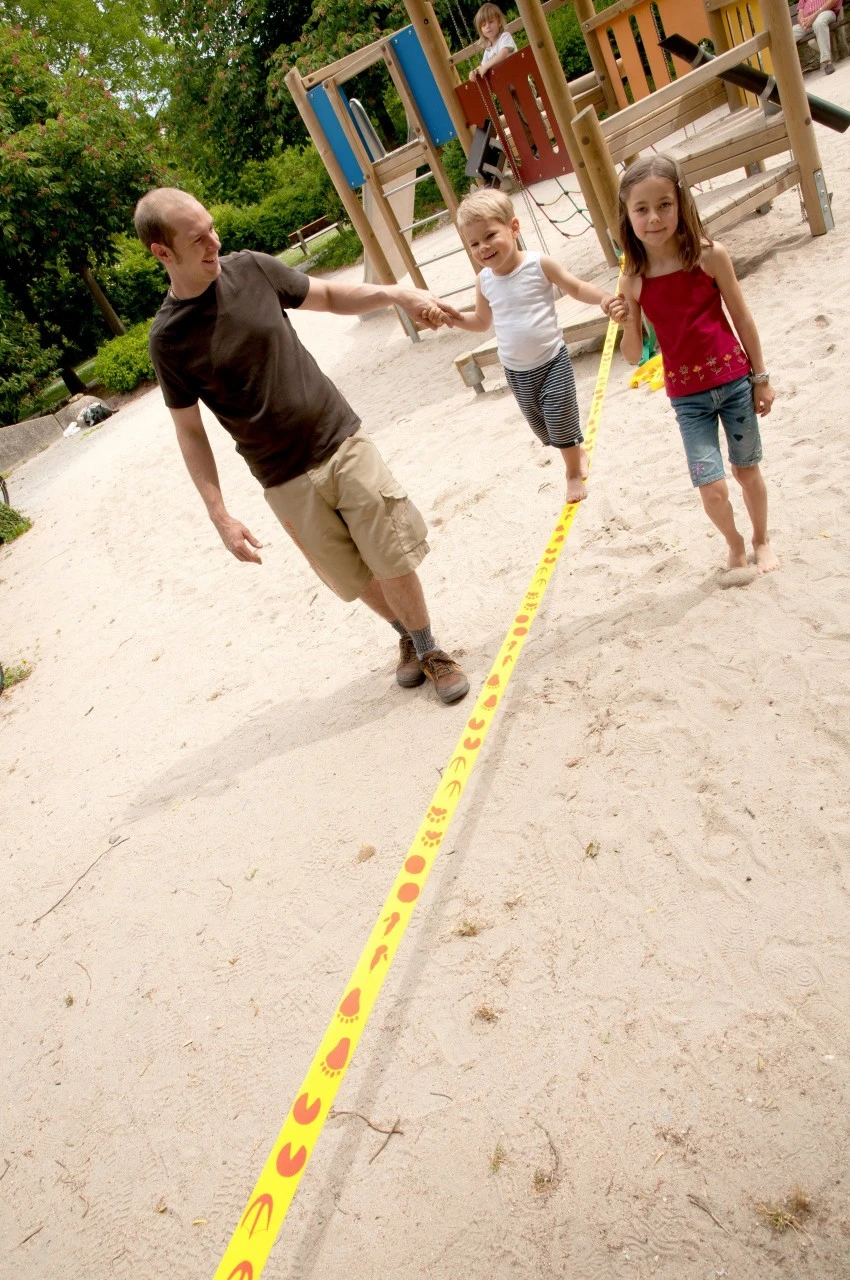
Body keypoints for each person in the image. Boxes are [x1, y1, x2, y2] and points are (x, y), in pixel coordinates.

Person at [134, 187, 470, 704]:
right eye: (197, 238)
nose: (214, 243)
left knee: (390, 551)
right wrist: (219, 514)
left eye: (212, 228)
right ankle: (405, 634)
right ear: (162, 252)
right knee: (350, 575)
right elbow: (190, 430)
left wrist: (397, 294)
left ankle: (429, 649)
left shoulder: (252, 269)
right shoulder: (168, 340)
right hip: (280, 476)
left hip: (338, 438)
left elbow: (330, 297)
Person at [615, 155, 780, 574]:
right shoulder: (632, 280)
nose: (654, 218)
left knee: (747, 472)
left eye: (664, 205)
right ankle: (734, 541)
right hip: (688, 400)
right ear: (627, 215)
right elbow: (633, 356)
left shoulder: (710, 256)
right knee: (712, 489)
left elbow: (742, 318)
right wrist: (625, 321)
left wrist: (761, 378)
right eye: (641, 209)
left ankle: (761, 539)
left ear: (681, 204)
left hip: (736, 383)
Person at [452, 189, 627, 503]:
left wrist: (603, 298)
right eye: (474, 243)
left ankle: (572, 473)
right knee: (544, 430)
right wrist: (453, 318)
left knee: (560, 418)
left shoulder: (537, 264)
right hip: (516, 372)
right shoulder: (485, 281)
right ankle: (575, 451)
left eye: (490, 235)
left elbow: (575, 287)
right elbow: (480, 321)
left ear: (513, 228)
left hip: (551, 360)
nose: (483, 247)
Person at [469, 4, 517, 81]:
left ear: (499, 22)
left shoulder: (504, 37)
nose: (487, 26)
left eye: (491, 22)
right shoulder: (488, 49)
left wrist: (486, 67)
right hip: (505, 81)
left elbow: (503, 53)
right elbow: (483, 65)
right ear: (481, 30)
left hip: (516, 75)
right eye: (484, 25)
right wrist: (475, 71)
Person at [792, 0, 841, 74]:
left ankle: (827, 63)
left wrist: (814, 16)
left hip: (826, 13)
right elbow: (800, 12)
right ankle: (786, 72)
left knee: (819, 23)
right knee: (789, 34)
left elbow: (832, 2)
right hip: (808, 21)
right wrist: (802, 21)